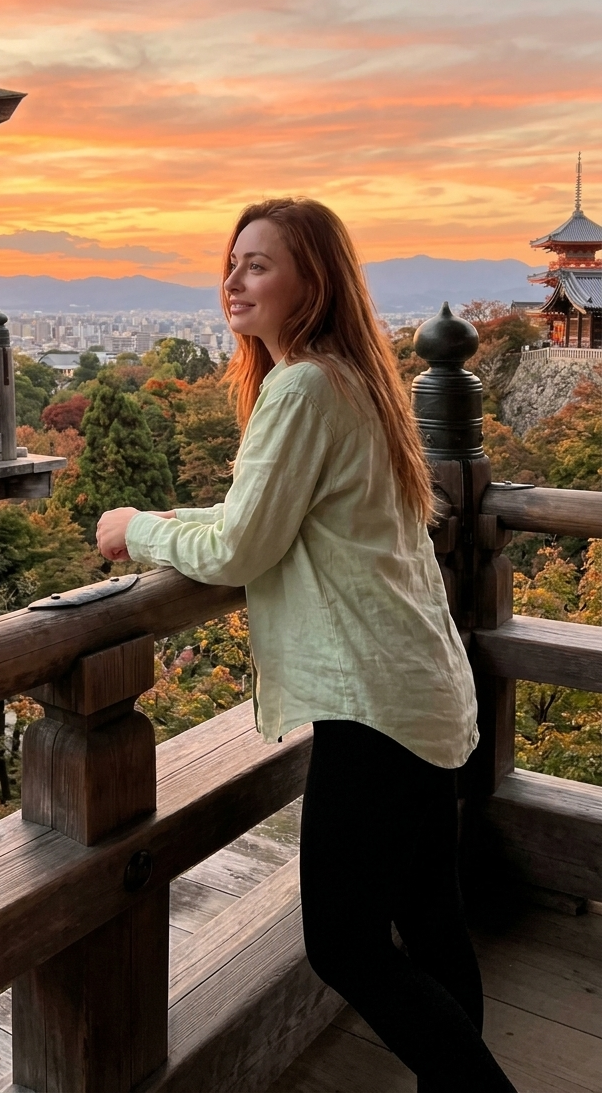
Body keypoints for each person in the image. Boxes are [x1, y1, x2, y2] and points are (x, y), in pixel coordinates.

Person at [96, 197, 518, 1093]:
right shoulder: (352, 380)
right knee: (430, 920)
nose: (234, 279)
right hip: (421, 687)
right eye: (233, 261)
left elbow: (241, 549)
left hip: (371, 703)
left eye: (259, 264)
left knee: (344, 943)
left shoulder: (301, 387)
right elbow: (263, 515)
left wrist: (137, 529)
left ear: (312, 282)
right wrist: (173, 517)